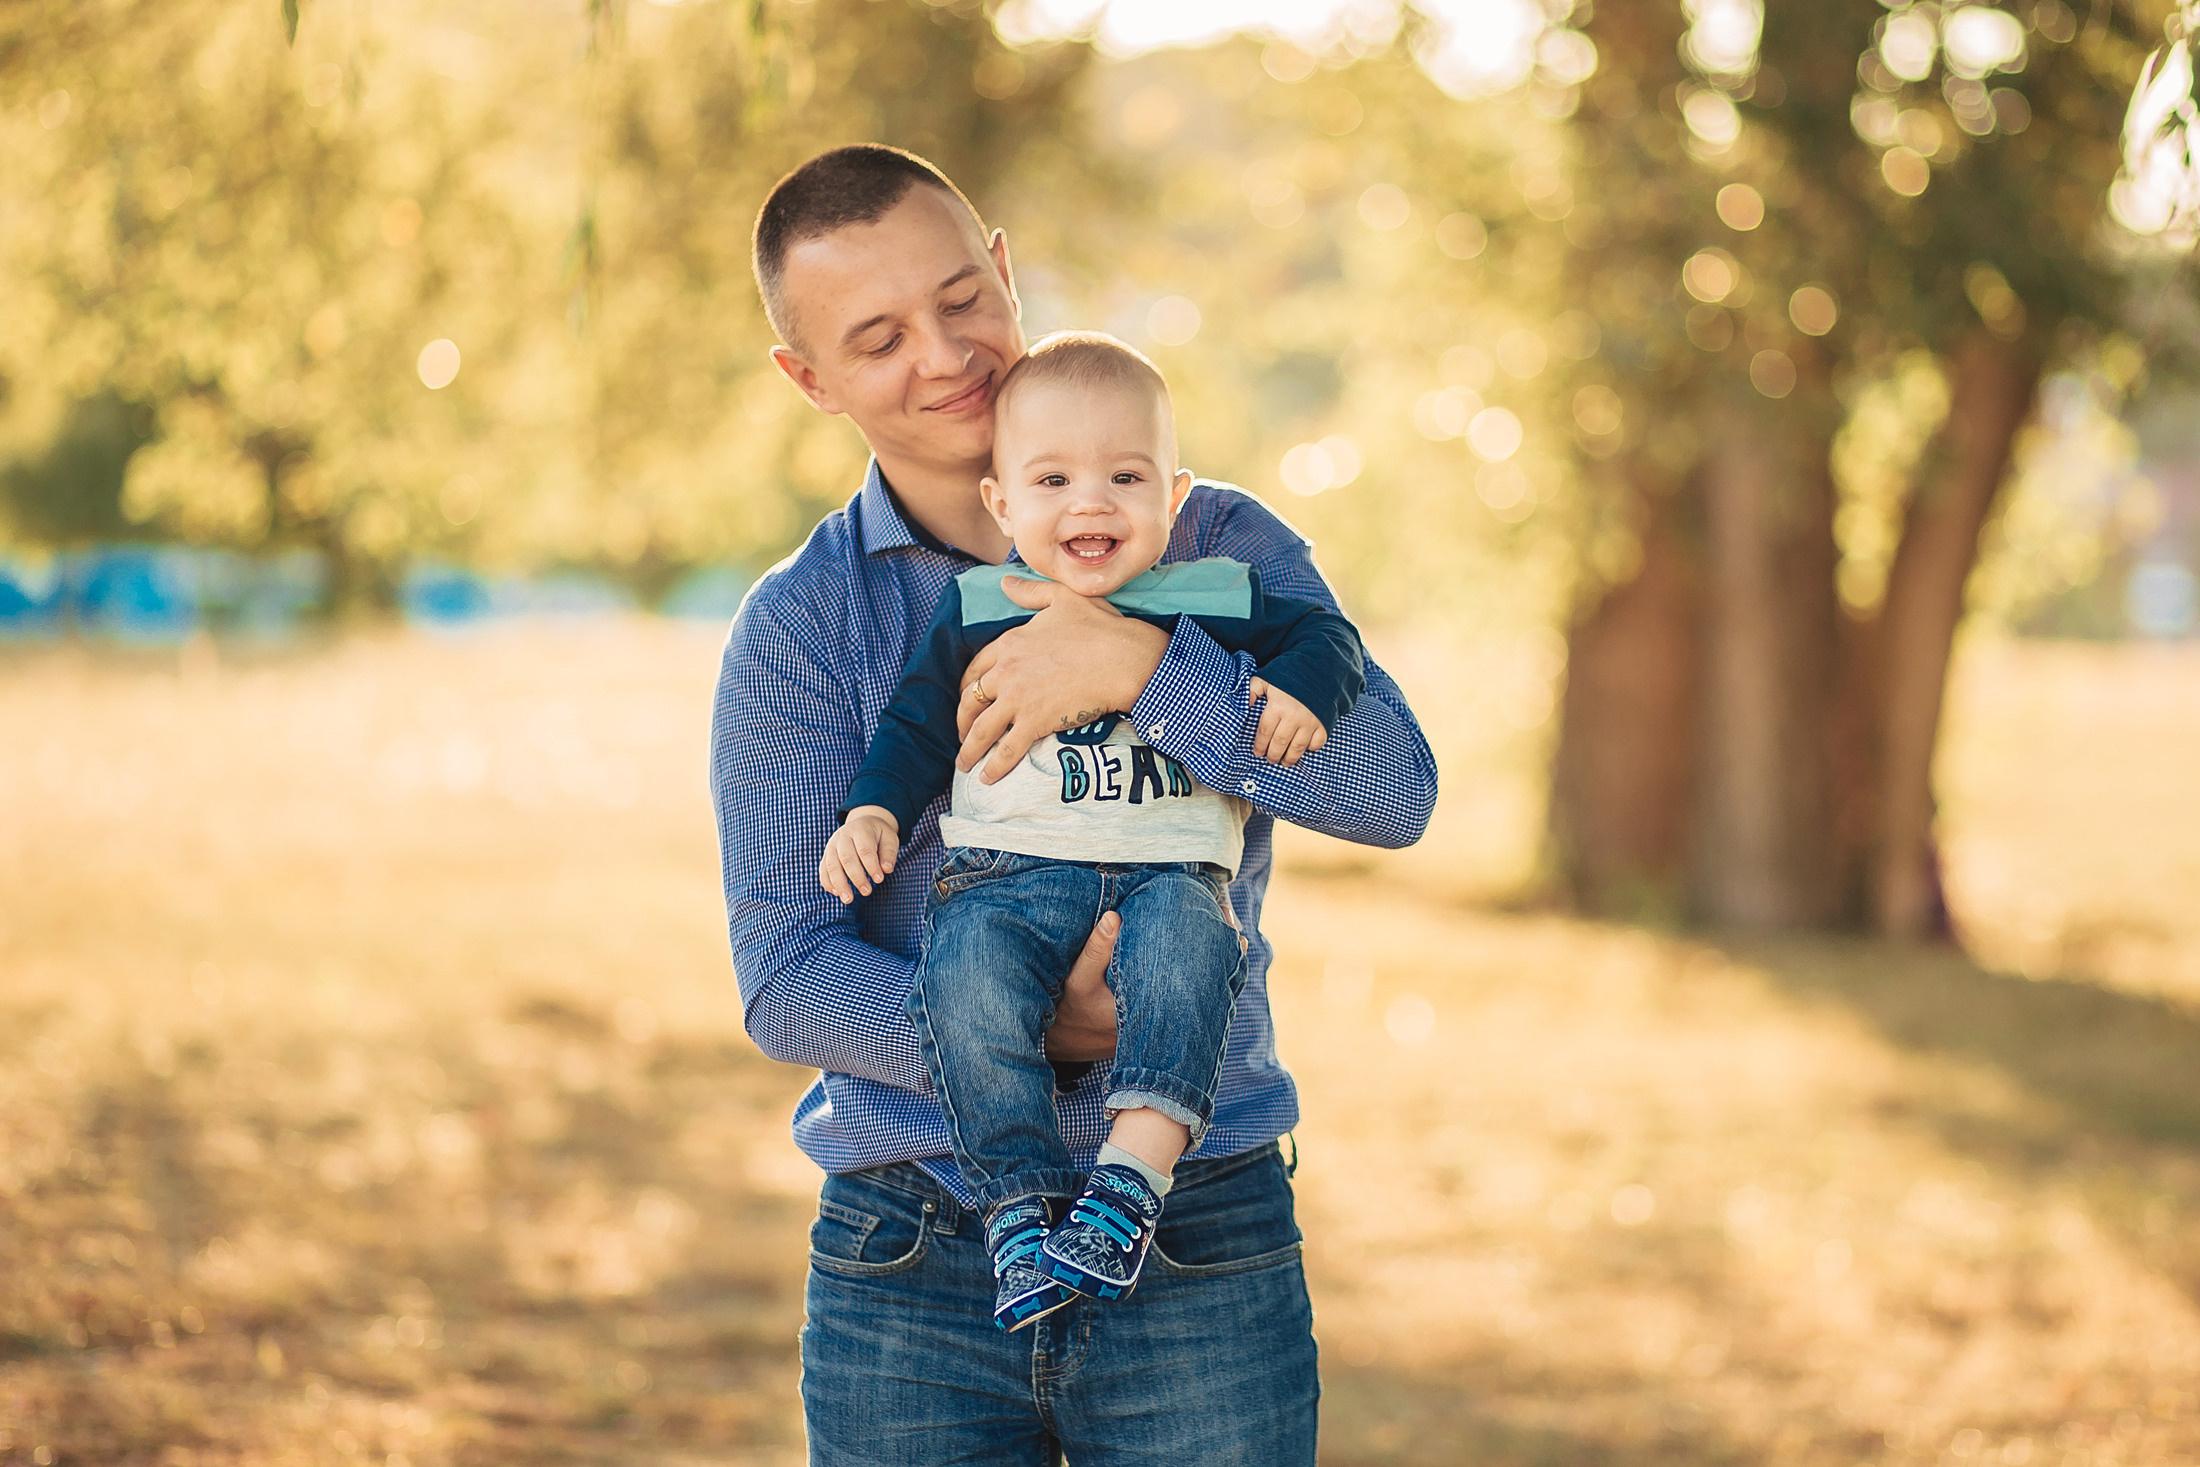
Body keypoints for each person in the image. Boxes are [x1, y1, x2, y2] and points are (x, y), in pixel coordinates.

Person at [711, 143, 1437, 1465]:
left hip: (1200, 1226)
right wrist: (1040, 1027)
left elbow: (1394, 790)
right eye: (877, 339)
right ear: (809, 380)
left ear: (1002, 267)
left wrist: (1152, 669)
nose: (945, 356)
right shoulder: (807, 623)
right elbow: (785, 972)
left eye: (957, 298)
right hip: (913, 1243)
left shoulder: (1219, 546)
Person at [818, 330, 1366, 1331]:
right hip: (1003, 875)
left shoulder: (1209, 594)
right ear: (1003, 503)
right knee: (962, 980)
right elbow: (913, 720)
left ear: (1174, 492)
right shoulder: (978, 605)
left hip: (1170, 874)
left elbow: (1327, 636)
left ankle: (1128, 1187)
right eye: (1053, 478)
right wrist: (871, 811)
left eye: (1126, 476)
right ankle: (1018, 1207)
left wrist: (1299, 690)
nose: (1090, 503)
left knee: (1195, 963)